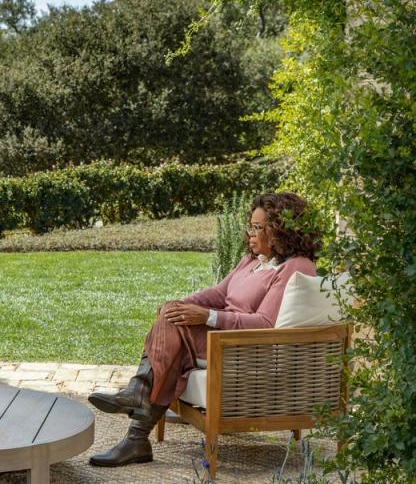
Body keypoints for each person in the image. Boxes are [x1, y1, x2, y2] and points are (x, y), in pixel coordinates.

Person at [87, 192, 320, 467]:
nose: (250, 233)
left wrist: (207, 317)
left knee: (173, 326)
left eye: (259, 227)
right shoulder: (252, 261)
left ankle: (138, 405)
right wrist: (182, 304)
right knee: (172, 320)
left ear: (280, 229)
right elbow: (219, 292)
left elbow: (265, 323)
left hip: (241, 345)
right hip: (218, 334)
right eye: (251, 225)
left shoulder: (295, 267)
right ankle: (136, 433)